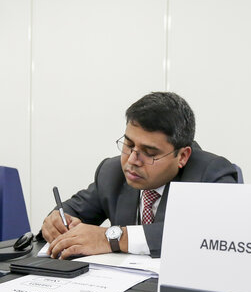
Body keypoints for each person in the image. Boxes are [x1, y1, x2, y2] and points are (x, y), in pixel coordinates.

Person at [42, 91, 238, 259]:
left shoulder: (210, 174)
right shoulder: (111, 173)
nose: (132, 160)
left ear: (182, 156)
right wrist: (57, 222)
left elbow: (212, 235)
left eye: (150, 153)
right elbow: (72, 211)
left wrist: (112, 238)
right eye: (128, 145)